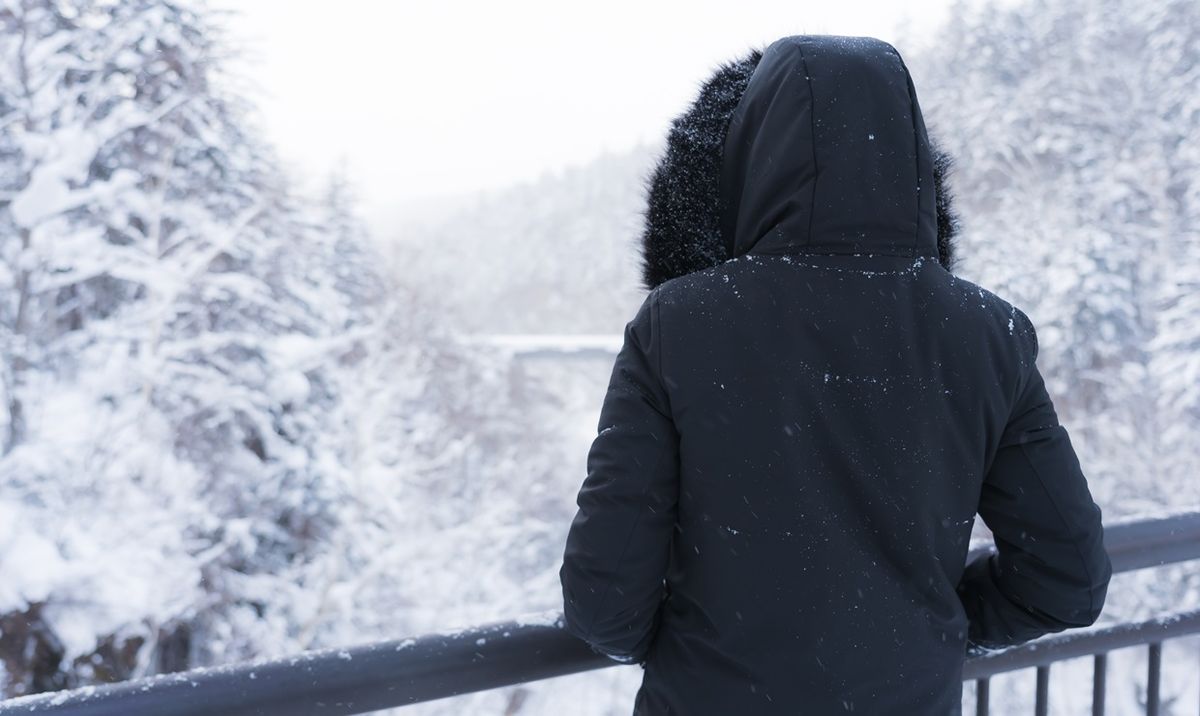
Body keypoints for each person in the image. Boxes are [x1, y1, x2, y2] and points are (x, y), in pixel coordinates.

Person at [558, 34, 1112, 714]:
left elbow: (605, 599)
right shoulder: (986, 335)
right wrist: (931, 629)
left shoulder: (680, 325)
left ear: (748, 160)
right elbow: (1070, 580)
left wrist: (701, 650)